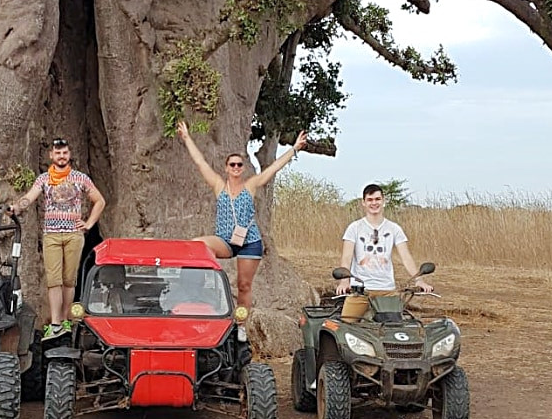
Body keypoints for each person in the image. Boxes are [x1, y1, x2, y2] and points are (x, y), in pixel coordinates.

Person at [176, 120, 306, 341]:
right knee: (198, 244)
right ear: (226, 168)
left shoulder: (250, 186)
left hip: (249, 240)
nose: (236, 168)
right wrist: (187, 137)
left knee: (244, 286)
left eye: (239, 165)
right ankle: (198, 288)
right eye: (232, 165)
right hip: (225, 240)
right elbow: (200, 164)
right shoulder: (219, 186)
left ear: (243, 168)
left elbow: (273, 168)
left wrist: (293, 149)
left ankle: (241, 324)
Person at [10, 137, 106, 340]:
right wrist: (17, 207)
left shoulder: (80, 178)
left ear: (69, 155)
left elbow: (100, 201)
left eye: (65, 152)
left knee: (69, 280)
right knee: (53, 280)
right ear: (51, 155)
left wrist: (88, 224)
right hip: (52, 234)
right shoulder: (44, 179)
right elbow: (30, 197)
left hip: (74, 234)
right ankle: (54, 323)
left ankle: (65, 321)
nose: (61, 156)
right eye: (58, 153)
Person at [336, 183, 432, 322]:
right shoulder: (354, 228)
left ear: (383, 201)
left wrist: (419, 280)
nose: (374, 203)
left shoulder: (394, 229)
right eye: (370, 200)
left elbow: (406, 257)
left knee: (393, 330)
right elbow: (346, 257)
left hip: (387, 291)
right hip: (360, 291)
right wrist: (344, 281)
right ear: (363, 203)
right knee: (345, 326)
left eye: (377, 199)